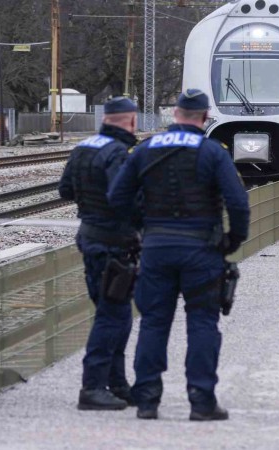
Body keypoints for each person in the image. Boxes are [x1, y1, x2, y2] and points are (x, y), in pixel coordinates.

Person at [108, 89, 250, 421]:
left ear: (175, 114)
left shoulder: (144, 150)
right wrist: (232, 241)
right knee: (202, 322)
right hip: (202, 250)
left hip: (156, 248)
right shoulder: (212, 152)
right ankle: (201, 401)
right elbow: (238, 203)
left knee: (154, 323)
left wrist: (141, 229)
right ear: (204, 117)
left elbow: (117, 198)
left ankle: (147, 401)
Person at [58, 96, 140, 411]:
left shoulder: (83, 147)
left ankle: (117, 385)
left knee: (112, 312)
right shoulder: (118, 153)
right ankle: (92, 388)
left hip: (90, 238)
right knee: (113, 316)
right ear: (130, 120)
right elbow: (124, 199)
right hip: (113, 245)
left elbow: (65, 190)